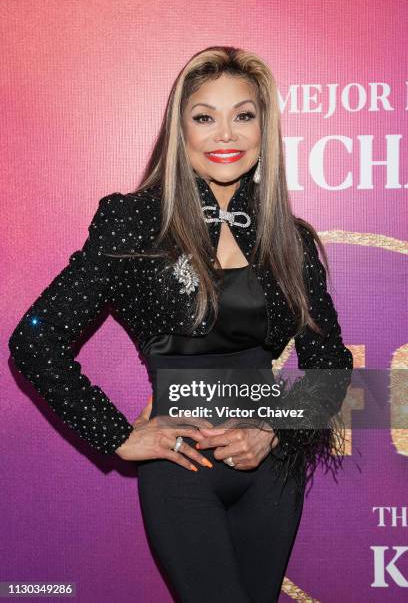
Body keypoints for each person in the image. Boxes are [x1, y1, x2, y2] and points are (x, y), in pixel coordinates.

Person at [8, 46, 353, 602]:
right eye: (204, 116)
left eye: (244, 116)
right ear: (180, 129)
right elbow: (35, 340)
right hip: (182, 465)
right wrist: (118, 435)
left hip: (270, 466)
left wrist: (275, 429)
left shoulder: (290, 236)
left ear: (265, 131)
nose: (226, 134)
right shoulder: (132, 222)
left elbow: (330, 361)